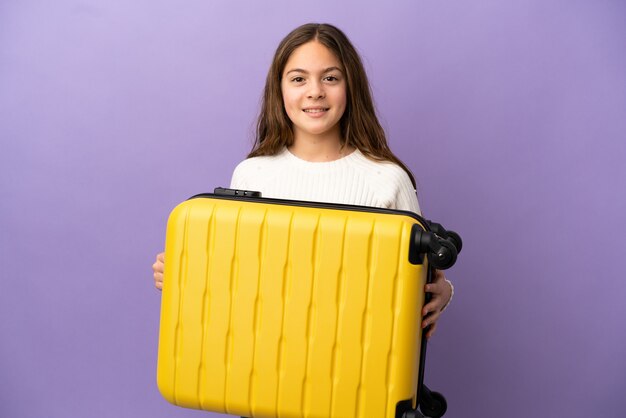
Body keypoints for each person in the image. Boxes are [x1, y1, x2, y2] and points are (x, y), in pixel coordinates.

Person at [152, 23, 453, 339]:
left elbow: (411, 296)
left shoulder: (388, 180)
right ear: (279, 89)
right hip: (268, 357)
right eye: (298, 79)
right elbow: (240, 280)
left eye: (330, 78)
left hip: (354, 361)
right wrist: (183, 271)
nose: (315, 92)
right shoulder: (252, 173)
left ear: (351, 87)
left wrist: (441, 292)